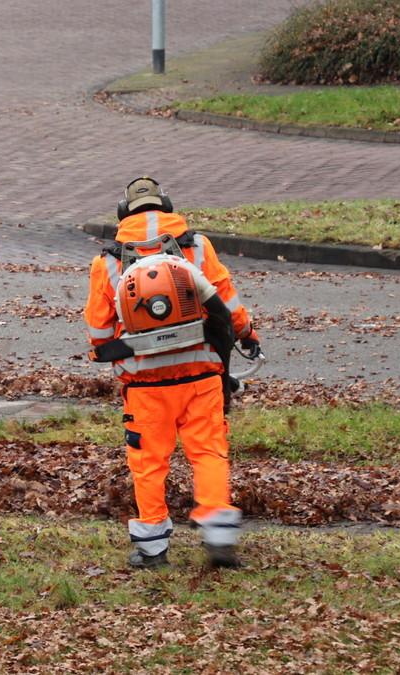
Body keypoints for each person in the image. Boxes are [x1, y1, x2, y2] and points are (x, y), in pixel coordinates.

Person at [84, 177, 262, 570]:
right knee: (209, 452)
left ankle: (151, 548)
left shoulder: (108, 262)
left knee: (149, 462)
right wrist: (248, 334)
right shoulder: (197, 248)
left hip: (145, 385)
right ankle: (218, 534)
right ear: (166, 205)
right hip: (201, 375)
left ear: (122, 213)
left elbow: (98, 334)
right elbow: (226, 304)